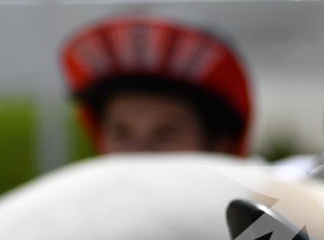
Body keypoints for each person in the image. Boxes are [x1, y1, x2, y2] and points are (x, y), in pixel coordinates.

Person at [60, 12, 254, 155]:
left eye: (165, 135)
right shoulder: (70, 208)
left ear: (218, 145)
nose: (139, 153)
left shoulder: (259, 207)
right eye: (121, 134)